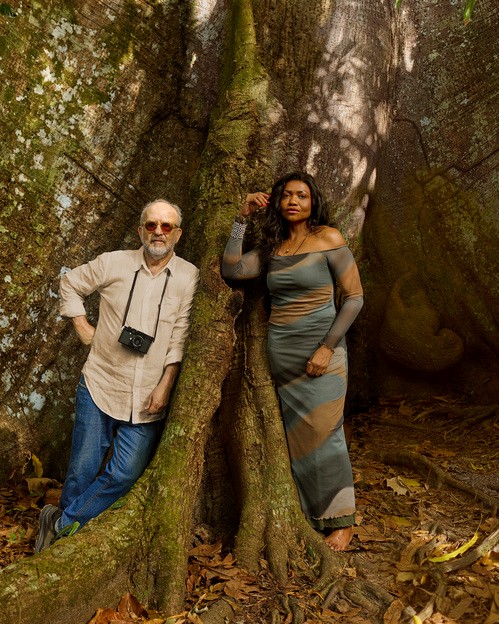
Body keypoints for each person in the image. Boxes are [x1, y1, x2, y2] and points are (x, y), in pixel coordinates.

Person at [35, 199, 199, 553]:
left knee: (124, 474)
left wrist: (166, 385)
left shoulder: (188, 275)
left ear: (178, 234)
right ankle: (61, 547)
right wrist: (81, 324)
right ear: (140, 230)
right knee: (82, 469)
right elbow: (70, 282)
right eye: (151, 225)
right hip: (101, 381)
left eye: (166, 226)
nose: (158, 232)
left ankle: (59, 523)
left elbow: (180, 335)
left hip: (148, 395)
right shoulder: (113, 262)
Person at [221, 172, 364, 551]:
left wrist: (327, 347)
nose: (293, 201)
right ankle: (310, 515)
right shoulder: (273, 248)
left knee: (325, 435)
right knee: (297, 440)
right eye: (286, 195)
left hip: (322, 351)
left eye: (301, 195)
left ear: (313, 201)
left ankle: (342, 521)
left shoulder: (329, 239)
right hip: (280, 353)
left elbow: (353, 298)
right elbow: (232, 270)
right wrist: (240, 219)